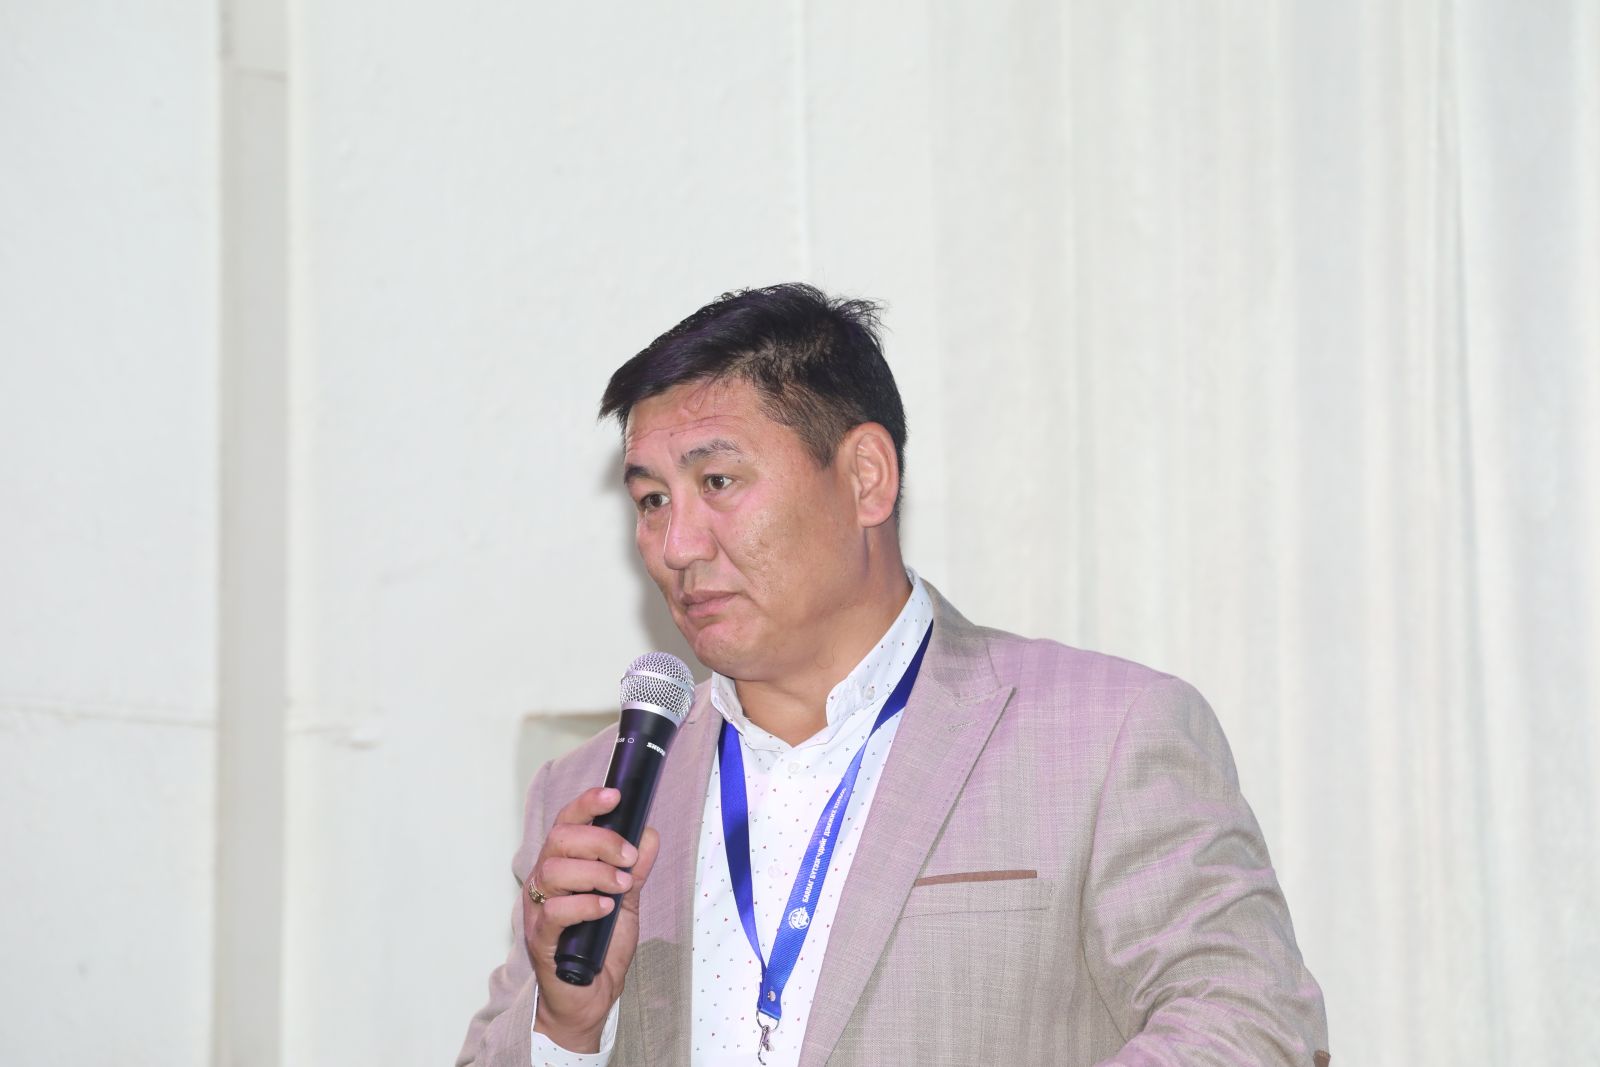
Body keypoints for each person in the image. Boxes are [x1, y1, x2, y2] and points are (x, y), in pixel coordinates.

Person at [457, 284, 1329, 1067]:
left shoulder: (1105, 737)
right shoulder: (595, 799)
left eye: (717, 481)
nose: (676, 545)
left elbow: (1252, 1025)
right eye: (652, 500)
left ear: (866, 477)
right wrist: (566, 1028)